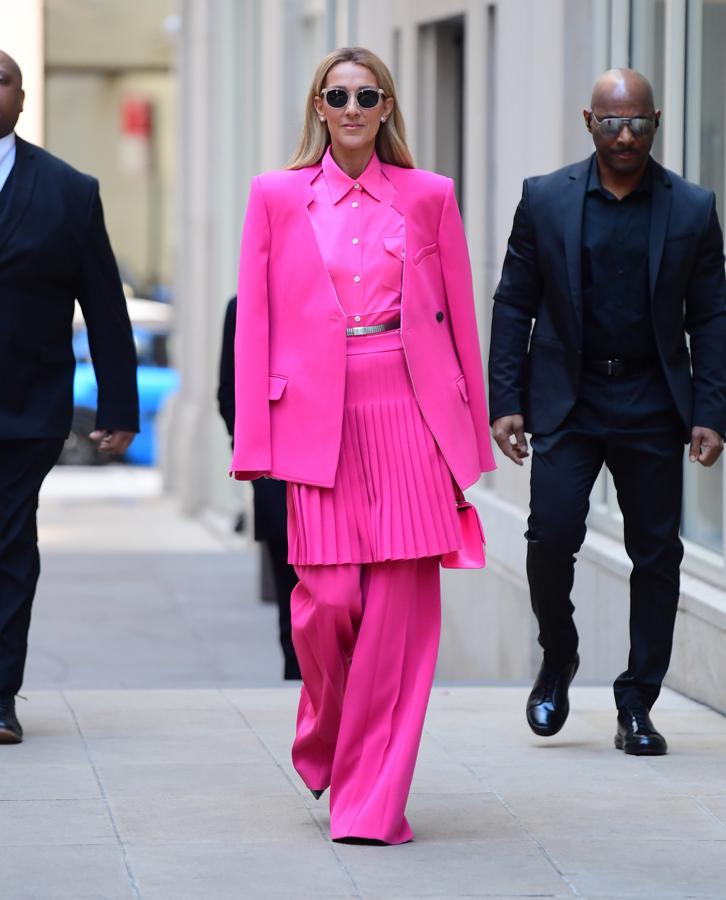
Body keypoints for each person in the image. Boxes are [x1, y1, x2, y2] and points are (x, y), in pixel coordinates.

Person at [231, 46, 494, 843]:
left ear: (386, 108)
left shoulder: (429, 196)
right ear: (319, 105)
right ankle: (328, 732)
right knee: (329, 603)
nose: (351, 107)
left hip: (408, 413)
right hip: (316, 417)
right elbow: (257, 330)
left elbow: (457, 319)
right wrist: (254, 440)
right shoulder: (275, 197)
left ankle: (372, 804)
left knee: (398, 622)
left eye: (366, 95)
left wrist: (470, 440)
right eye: (337, 94)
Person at [489, 68, 726, 756]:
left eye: (640, 123)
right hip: (569, 397)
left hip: (654, 401)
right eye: (613, 122)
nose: (626, 136)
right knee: (550, 537)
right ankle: (558, 655)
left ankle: (636, 703)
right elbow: (514, 303)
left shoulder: (691, 208)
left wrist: (710, 410)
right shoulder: (546, 200)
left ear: (658, 123)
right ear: (588, 122)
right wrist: (507, 399)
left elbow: (711, 315)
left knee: (658, 554)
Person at [0, 50, 138, 743]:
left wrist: (119, 409)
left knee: (7, 539)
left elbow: (106, 307)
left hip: (27, 407)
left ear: (22, 98)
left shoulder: (69, 191)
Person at [218, 296, 301, 680]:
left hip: (333, 461)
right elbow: (229, 393)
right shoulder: (244, 305)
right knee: (289, 584)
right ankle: (297, 676)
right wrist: (251, 449)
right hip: (272, 468)